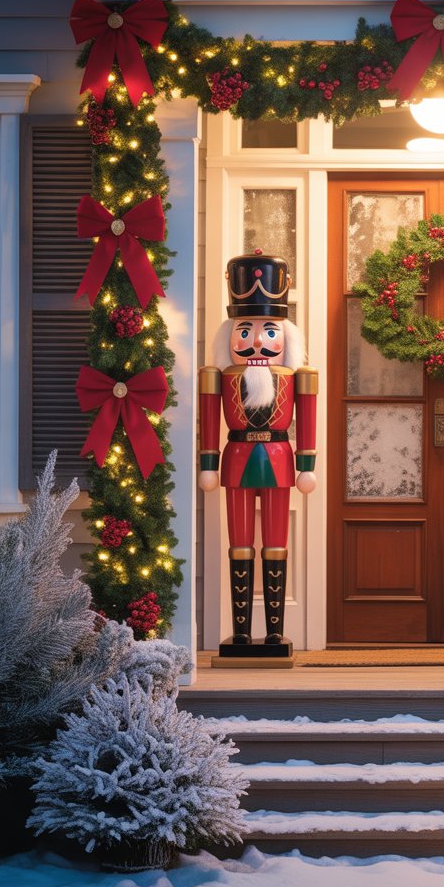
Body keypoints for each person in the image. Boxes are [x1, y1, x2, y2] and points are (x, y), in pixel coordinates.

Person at [198, 250, 317, 657]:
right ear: (229, 335)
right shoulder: (218, 376)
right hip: (236, 462)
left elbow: (310, 424)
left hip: (281, 461)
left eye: (269, 331)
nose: (255, 342)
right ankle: (243, 631)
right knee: (240, 544)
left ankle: (274, 631)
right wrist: (208, 464)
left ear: (285, 337)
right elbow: (211, 424)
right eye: (244, 330)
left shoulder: (297, 377)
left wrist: (307, 466)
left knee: (277, 545)